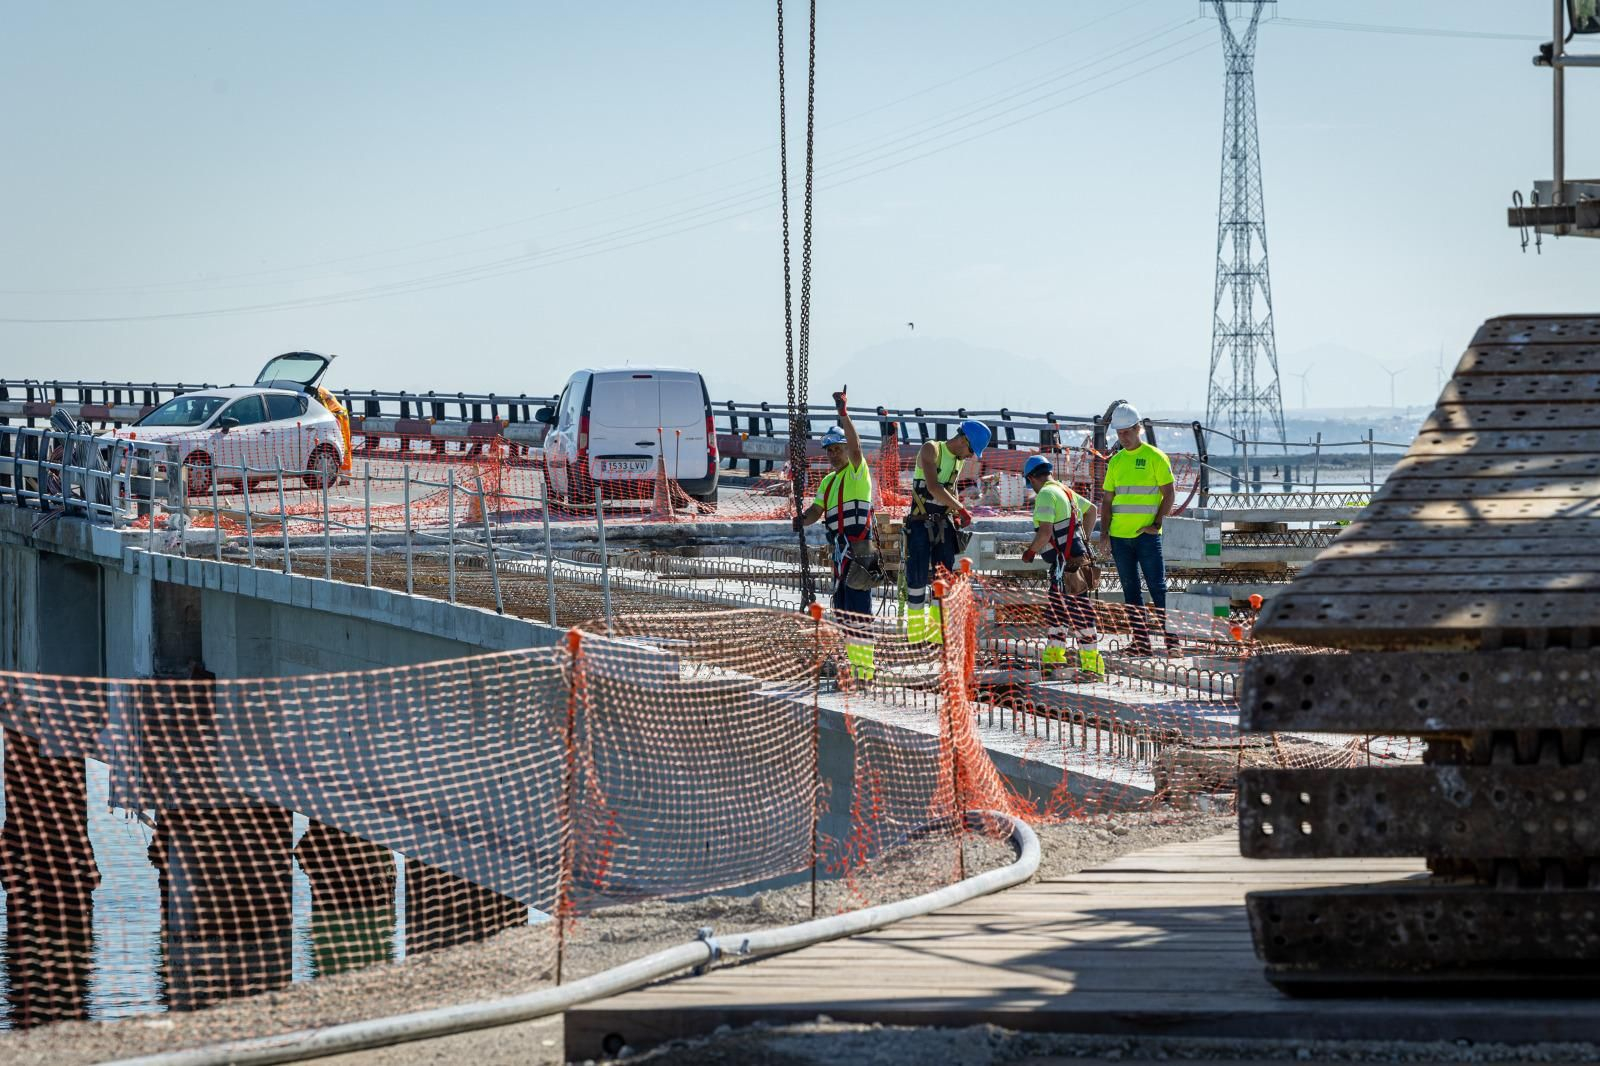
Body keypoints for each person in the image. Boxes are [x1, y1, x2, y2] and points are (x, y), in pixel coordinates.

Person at [794, 388, 875, 680]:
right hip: (840, 553)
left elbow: (856, 447)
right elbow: (817, 511)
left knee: (859, 612)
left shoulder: (856, 470)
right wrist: (802, 520)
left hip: (861, 549)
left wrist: (844, 414)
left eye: (836, 448)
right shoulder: (828, 482)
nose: (832, 454)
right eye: (828, 450)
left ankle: (864, 671)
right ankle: (855, 666)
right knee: (843, 609)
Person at [1096, 402, 1175, 656]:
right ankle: (1141, 644)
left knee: (1158, 588)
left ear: (1138, 428)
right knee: (1131, 591)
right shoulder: (1116, 462)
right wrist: (1105, 535)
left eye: (1128, 431)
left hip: (1147, 537)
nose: (1124, 437)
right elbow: (1107, 501)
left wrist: (1157, 524)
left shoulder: (1155, 457)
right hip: (1120, 538)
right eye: (1119, 433)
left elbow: (1169, 494)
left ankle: (1172, 643)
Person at [904, 418, 991, 644]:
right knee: (916, 579)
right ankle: (915, 636)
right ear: (963, 440)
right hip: (920, 523)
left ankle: (936, 636)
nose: (971, 456)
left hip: (943, 524)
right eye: (971, 450)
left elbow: (948, 492)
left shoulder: (958, 461)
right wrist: (961, 508)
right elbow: (933, 486)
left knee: (943, 579)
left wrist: (955, 514)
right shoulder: (931, 449)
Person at [1020, 455, 1104, 682]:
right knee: (1058, 610)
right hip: (1071, 563)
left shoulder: (1046, 494)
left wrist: (1030, 552)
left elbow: (1045, 532)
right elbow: (1092, 510)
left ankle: (1093, 667)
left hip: (1065, 565)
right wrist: (1082, 537)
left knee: (1079, 612)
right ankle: (1053, 659)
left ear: (1031, 478)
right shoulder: (1064, 490)